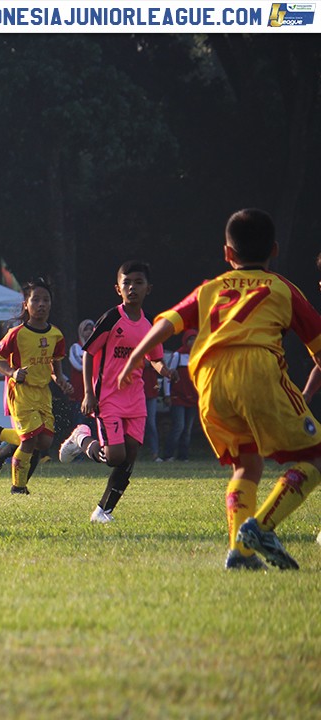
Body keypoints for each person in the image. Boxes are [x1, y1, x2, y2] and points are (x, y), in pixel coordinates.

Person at [119, 208, 321, 571]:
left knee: (246, 464)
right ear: (274, 250)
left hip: (209, 380)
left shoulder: (211, 288)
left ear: (228, 254)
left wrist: (136, 356)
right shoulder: (282, 288)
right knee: (317, 457)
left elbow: (168, 321)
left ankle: (240, 554)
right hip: (256, 369)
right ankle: (260, 528)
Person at [57, 261, 175, 522]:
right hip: (108, 397)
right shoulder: (112, 318)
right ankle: (81, 438)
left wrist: (163, 370)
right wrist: (89, 393)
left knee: (130, 455)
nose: (132, 287)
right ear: (118, 288)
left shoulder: (149, 325)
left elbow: (154, 356)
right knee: (114, 457)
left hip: (135, 398)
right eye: (127, 282)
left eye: (138, 282)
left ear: (148, 288)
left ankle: (103, 511)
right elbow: (88, 352)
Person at [0, 278, 72, 494]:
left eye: (46, 300)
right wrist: (13, 372)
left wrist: (61, 380)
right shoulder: (16, 333)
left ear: (51, 304)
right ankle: (18, 487)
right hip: (21, 392)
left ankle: (0, 434)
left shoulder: (56, 335)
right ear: (26, 304)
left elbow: (55, 363)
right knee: (29, 440)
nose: (41, 304)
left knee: (44, 442)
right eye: (36, 300)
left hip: (43, 393)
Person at [160, 330, 199, 461]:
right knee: (179, 426)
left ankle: (183, 456)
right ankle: (168, 455)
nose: (192, 342)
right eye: (190, 339)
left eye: (195, 339)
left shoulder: (198, 355)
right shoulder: (178, 355)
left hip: (193, 397)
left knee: (187, 429)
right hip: (178, 397)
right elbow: (168, 376)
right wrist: (167, 394)